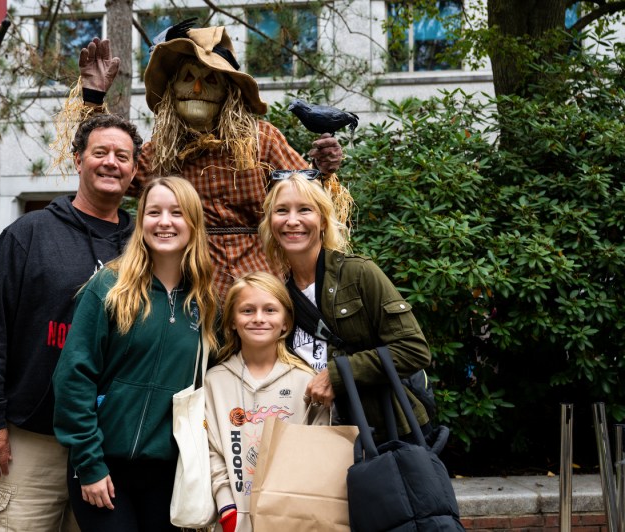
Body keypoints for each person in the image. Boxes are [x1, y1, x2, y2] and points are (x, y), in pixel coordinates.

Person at [66, 25, 350, 300]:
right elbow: (109, 167)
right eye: (188, 77)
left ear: (228, 91)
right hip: (191, 294)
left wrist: (322, 171)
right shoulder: (160, 153)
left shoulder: (262, 140)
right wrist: (93, 100)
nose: (198, 87)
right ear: (172, 90)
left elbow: (305, 198)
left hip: (263, 292)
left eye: (211, 79)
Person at [0, 113, 143, 531]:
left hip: (107, 446)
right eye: (100, 153)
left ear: (134, 170)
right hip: (31, 439)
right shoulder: (29, 234)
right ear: (78, 160)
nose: (111, 162)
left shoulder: (142, 245)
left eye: (122, 156)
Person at [52, 176, 219, 532]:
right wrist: (90, 464)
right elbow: (73, 377)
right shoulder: (110, 288)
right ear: (141, 220)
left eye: (177, 213)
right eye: (154, 212)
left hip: (170, 474)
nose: (164, 222)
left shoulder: (205, 302)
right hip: (104, 466)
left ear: (193, 222)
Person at [258, 172, 433, 440]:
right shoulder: (278, 295)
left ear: (324, 220)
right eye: (282, 211)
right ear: (271, 223)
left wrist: (338, 373)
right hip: (313, 435)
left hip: (378, 435)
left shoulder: (358, 274)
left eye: (304, 209)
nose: (292, 221)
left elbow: (413, 350)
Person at [205, 271, 329, 532]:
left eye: (270, 310)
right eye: (247, 311)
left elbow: (319, 451)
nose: (259, 319)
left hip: (293, 517)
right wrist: (226, 505)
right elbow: (210, 449)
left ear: (286, 322)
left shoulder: (306, 381)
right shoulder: (214, 382)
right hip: (233, 518)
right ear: (231, 322)